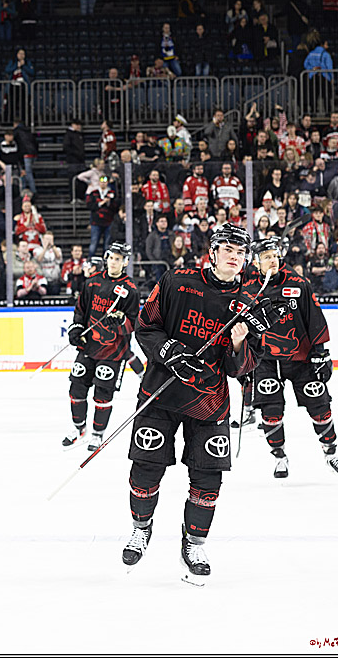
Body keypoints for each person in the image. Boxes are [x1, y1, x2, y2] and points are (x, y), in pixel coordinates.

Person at [122, 225, 264, 583]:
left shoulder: (248, 303)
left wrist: (238, 344)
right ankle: (141, 529)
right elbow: (146, 326)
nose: (235, 255)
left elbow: (243, 368)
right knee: (146, 467)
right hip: (160, 393)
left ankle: (194, 542)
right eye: (228, 248)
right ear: (212, 252)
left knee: (207, 477)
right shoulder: (176, 280)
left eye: (241, 251)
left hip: (210, 402)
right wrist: (169, 352)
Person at [246, 238, 338, 479]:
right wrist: (244, 361)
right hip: (265, 362)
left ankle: (330, 452)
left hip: (301, 359)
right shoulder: (247, 288)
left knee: (319, 404)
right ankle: (279, 456)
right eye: (266, 257)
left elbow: (314, 318)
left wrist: (321, 353)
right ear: (256, 262)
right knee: (271, 410)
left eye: (275, 255)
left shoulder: (298, 283)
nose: (273, 260)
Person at [62, 243, 139, 451]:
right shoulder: (92, 283)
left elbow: (133, 323)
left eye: (118, 259)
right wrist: (76, 329)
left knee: (103, 394)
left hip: (113, 352)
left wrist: (121, 321)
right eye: (111, 257)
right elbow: (80, 311)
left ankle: (97, 434)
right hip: (88, 347)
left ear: (126, 262)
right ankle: (79, 429)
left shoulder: (131, 289)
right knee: (76, 387)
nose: (114, 262)